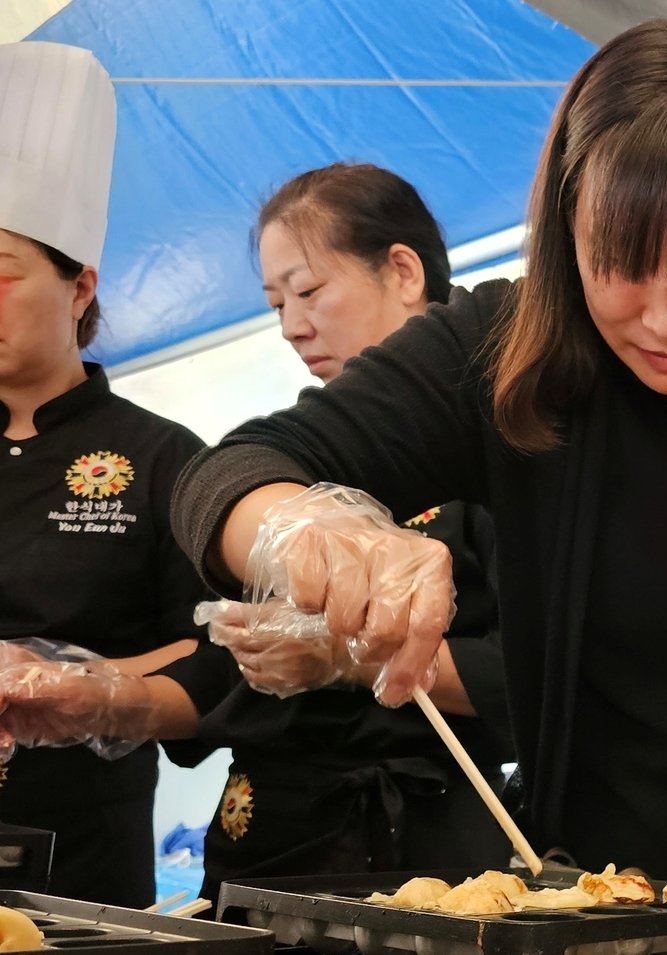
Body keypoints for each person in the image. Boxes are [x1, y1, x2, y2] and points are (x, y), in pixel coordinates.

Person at [166, 16, 667, 880]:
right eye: (622, 264)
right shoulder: (507, 349)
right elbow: (226, 472)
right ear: (567, 230)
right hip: (581, 900)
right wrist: (312, 531)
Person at [153, 162, 514, 896]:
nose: (291, 325)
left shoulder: (503, 441)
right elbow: (211, 495)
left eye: (310, 290)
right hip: (266, 838)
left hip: (429, 846)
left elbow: (530, 675)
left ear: (404, 271)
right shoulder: (290, 462)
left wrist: (347, 655)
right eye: (276, 301)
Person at [0, 41, 208, 907]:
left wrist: (83, 689)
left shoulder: (164, 458)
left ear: (80, 285)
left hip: (82, 869)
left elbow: (218, 655)